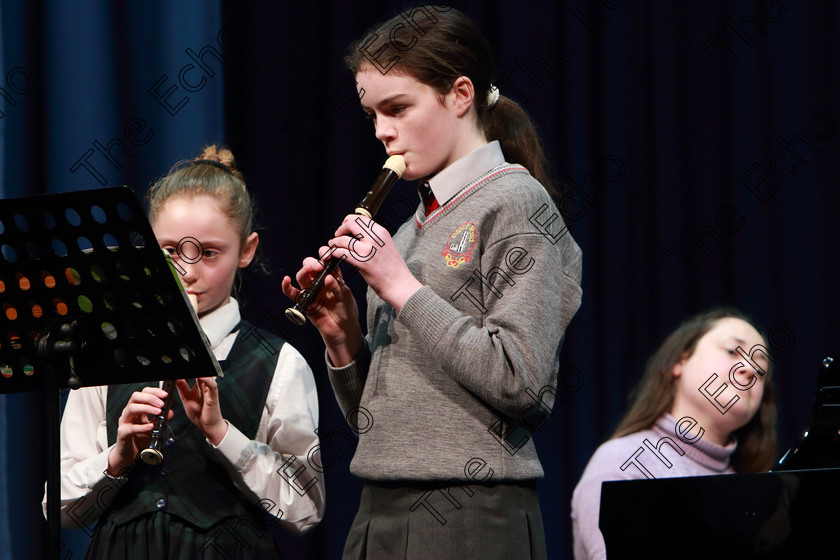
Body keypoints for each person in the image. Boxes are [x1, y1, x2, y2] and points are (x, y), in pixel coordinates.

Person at [281, 6, 582, 559]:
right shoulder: (410, 226)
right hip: (379, 507)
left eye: (397, 108)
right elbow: (377, 420)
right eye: (372, 114)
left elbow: (523, 383)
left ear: (460, 93)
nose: (382, 131)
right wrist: (342, 338)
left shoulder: (516, 202)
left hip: (472, 511)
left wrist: (402, 288)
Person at [48, 146, 325, 558]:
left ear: (246, 250)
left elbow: (304, 510)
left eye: (209, 252)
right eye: (171, 250)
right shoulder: (105, 355)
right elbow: (59, 510)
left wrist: (222, 434)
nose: (188, 271)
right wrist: (117, 457)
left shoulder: (280, 363)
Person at [571, 308, 778, 560]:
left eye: (761, 369)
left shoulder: (754, 488)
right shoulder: (624, 461)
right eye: (733, 351)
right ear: (680, 361)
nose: (749, 370)